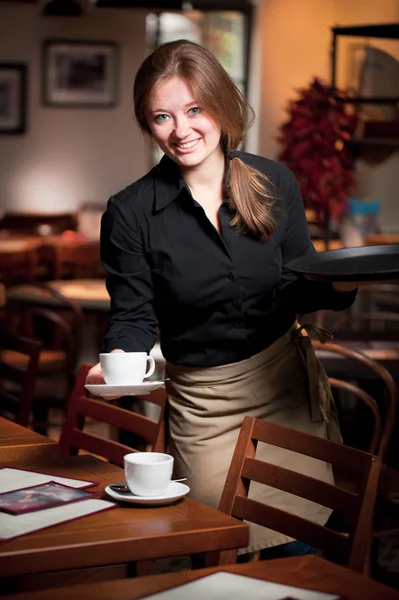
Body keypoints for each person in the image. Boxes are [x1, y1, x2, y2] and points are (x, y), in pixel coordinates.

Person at [86, 39, 359, 558]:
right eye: (162, 117)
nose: (181, 130)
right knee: (218, 545)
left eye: (194, 109)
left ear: (221, 105)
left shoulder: (274, 181)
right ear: (148, 124)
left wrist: (342, 285)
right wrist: (120, 361)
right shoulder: (129, 213)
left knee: (300, 550)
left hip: (285, 392)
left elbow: (300, 285)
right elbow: (133, 316)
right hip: (204, 406)